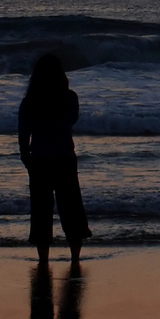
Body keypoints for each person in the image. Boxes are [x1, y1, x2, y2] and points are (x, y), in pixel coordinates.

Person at [18, 53, 91, 262]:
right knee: (71, 208)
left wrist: (26, 158)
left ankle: (43, 259)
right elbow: (73, 119)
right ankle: (75, 256)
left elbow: (23, 135)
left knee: (41, 211)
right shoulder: (69, 98)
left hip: (39, 159)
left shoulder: (30, 102)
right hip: (65, 158)